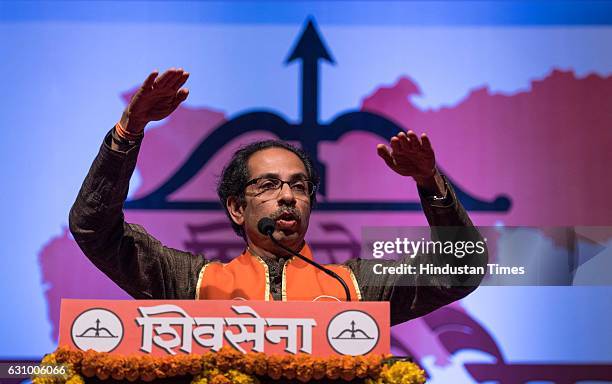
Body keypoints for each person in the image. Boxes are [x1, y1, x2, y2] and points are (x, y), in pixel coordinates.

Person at [69, 68, 486, 326]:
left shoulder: (355, 287)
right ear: (236, 207)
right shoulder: (192, 282)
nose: (287, 196)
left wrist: (431, 184)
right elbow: (94, 230)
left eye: (299, 186)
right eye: (268, 185)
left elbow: (461, 269)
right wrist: (128, 133)